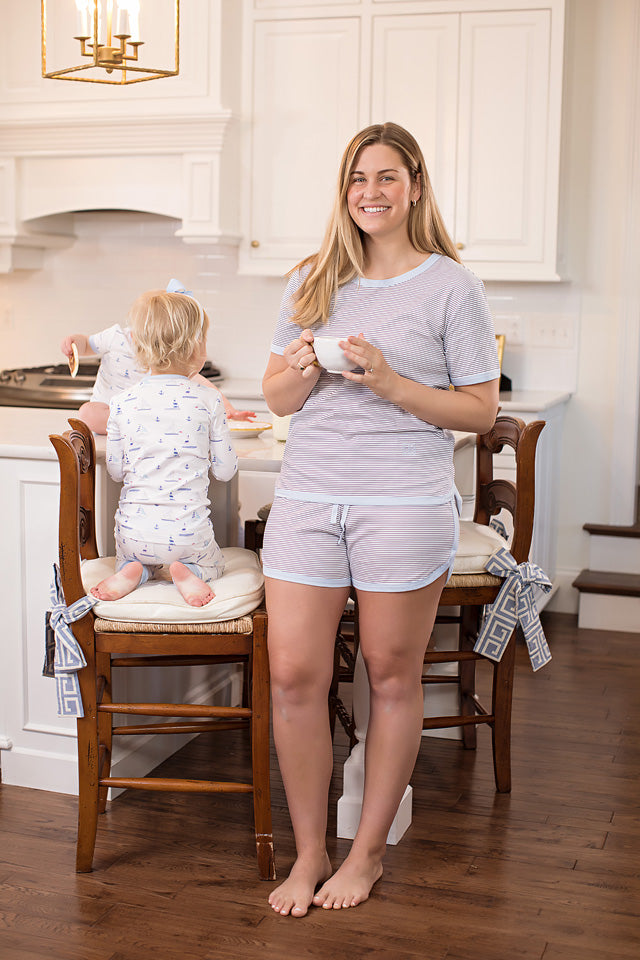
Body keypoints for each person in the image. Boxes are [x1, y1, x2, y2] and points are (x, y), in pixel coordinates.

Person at [261, 122, 500, 917]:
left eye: (388, 177)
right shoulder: (311, 280)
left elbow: (477, 411)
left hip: (402, 503)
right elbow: (277, 398)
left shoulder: (450, 287)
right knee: (294, 675)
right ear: (345, 191)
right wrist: (297, 370)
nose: (371, 191)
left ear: (416, 187)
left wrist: (392, 381)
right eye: (359, 178)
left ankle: (364, 857)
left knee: (391, 678)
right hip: (307, 499)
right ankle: (306, 856)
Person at [90, 287, 238, 607]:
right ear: (197, 345)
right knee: (214, 564)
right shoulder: (208, 399)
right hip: (188, 535)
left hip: (131, 536)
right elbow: (226, 472)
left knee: (130, 557)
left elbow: (115, 471)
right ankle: (190, 570)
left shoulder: (120, 403)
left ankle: (133, 570)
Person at [60, 280, 256, 434]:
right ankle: (133, 430)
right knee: (88, 413)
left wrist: (228, 410)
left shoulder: (167, 355)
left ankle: (143, 430)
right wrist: (74, 342)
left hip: (147, 412)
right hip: (110, 409)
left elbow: (202, 384)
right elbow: (88, 344)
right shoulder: (116, 336)